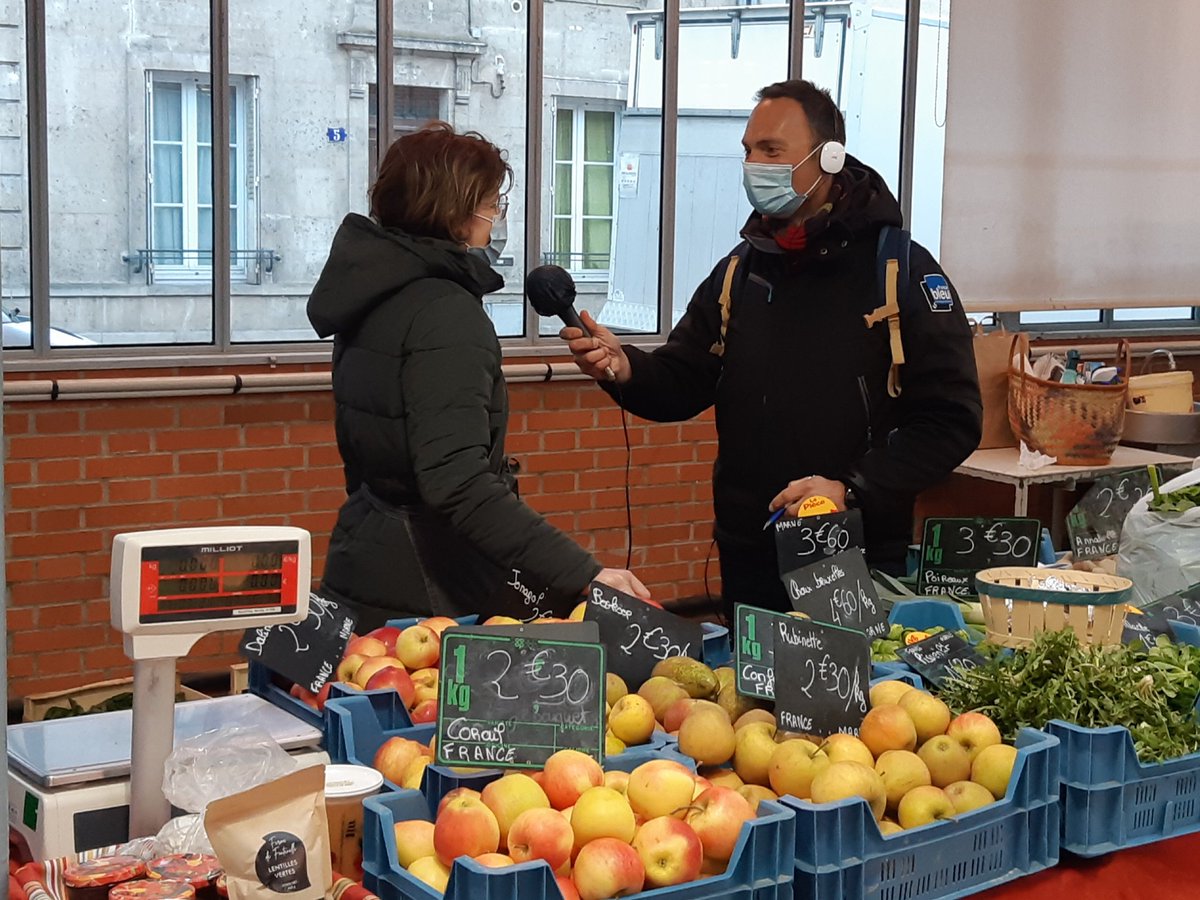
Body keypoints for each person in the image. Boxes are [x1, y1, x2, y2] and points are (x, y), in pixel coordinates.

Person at [561, 80, 982, 613]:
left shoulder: (900, 273)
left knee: (857, 698)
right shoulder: (740, 271)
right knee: (746, 697)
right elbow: (685, 377)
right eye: (748, 150)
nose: (753, 165)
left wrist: (849, 489)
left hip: (854, 554)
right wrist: (625, 368)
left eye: (771, 150)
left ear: (828, 157)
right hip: (749, 555)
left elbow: (952, 420)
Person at [308, 121, 649, 629]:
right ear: (456, 211)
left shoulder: (374, 293)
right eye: (492, 204)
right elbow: (458, 482)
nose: (495, 220)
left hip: (368, 552)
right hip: (427, 583)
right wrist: (584, 573)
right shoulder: (444, 312)